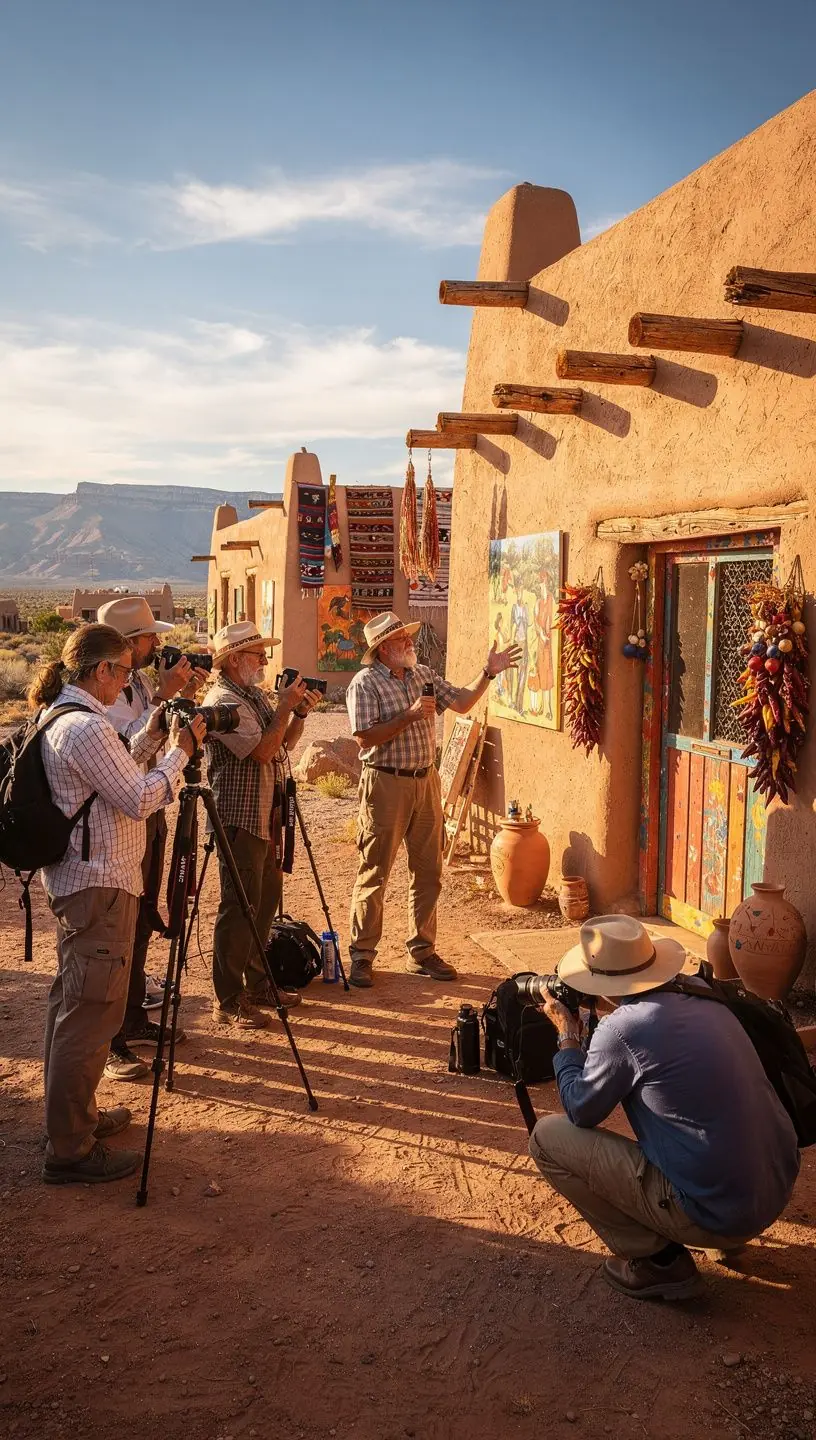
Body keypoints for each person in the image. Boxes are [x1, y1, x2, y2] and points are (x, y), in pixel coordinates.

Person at [530, 915, 801, 1300]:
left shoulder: (623, 1030)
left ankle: (658, 1261)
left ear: (599, 982)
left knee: (547, 1137)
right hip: (771, 1192)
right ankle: (723, 1235)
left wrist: (568, 1038)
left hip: (718, 1212)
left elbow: (580, 1109)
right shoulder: (703, 994)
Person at [30, 623, 205, 1185]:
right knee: (91, 1016)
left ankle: (72, 1122)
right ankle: (71, 1150)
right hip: (99, 886)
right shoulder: (84, 727)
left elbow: (116, 773)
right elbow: (138, 796)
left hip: (82, 884)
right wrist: (179, 755)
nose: (130, 680)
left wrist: (153, 736)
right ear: (102, 670)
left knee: (74, 1006)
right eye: (126, 670)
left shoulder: (65, 717)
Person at [345, 611, 521, 989]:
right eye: (400, 639)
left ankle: (421, 951)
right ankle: (361, 954)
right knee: (375, 871)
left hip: (426, 782)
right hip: (386, 784)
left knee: (428, 871)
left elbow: (461, 702)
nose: (409, 642)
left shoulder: (422, 674)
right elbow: (364, 738)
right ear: (382, 650)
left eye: (407, 636)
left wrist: (488, 673)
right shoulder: (365, 683)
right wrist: (409, 716)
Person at [98, 595, 211, 1082]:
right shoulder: (102, 695)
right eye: (149, 637)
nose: (158, 643)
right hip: (124, 817)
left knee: (143, 918)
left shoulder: (138, 683)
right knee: (116, 935)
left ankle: (133, 1018)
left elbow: (155, 743)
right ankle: (110, 1042)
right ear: (126, 645)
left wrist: (178, 699)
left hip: (152, 809)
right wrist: (165, 700)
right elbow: (126, 755)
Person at [202, 622, 322, 1028]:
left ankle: (257, 984)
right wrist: (287, 705)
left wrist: (299, 712)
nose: (265, 660)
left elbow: (284, 744)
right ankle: (228, 998)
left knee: (265, 904)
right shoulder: (225, 702)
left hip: (265, 814)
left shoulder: (250, 694)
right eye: (257, 654)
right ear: (234, 659)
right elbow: (261, 751)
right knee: (239, 908)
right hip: (239, 817)